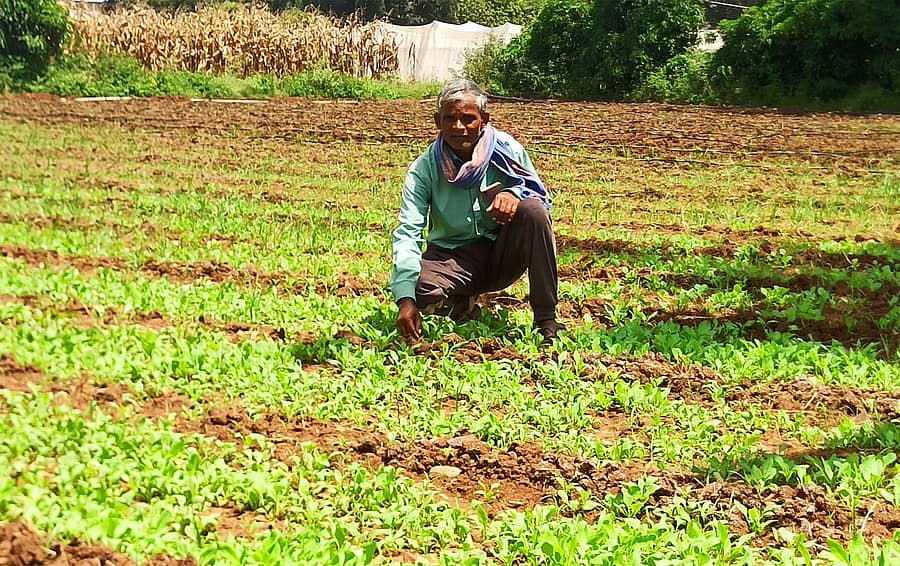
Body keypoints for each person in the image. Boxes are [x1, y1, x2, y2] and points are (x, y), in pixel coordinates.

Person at [390, 79, 565, 343]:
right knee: (415, 289)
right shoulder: (424, 168)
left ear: (484, 120)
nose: (458, 127)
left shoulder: (508, 150)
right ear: (438, 122)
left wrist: (514, 194)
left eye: (468, 119)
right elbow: (408, 232)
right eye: (450, 118)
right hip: (453, 258)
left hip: (503, 252)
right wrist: (405, 300)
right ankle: (462, 304)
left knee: (534, 211)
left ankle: (546, 319)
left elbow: (540, 196)